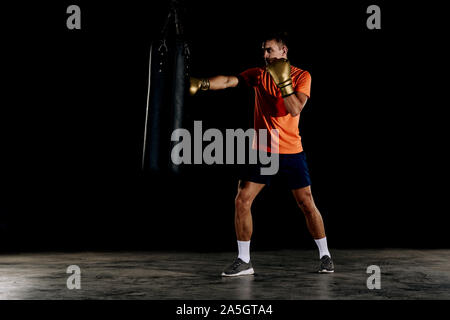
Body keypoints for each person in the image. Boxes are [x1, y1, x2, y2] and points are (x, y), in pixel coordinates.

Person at [189, 32, 334, 276]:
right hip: (263, 149)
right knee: (242, 199)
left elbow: (295, 108)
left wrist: (283, 82)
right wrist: (200, 83)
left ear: (283, 50)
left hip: (291, 150)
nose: (265, 55)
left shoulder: (302, 76)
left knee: (306, 203)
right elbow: (227, 80)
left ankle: (326, 255)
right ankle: (244, 260)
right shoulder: (259, 75)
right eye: (263, 51)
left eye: (269, 50)